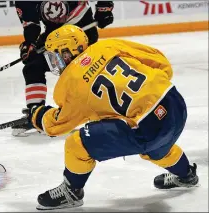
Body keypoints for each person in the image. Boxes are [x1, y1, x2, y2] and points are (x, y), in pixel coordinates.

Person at [28, 24, 199, 210]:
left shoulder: (70, 83)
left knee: (76, 143)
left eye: (55, 56)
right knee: (158, 147)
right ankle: (186, 175)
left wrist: (38, 116)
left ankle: (71, 192)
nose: (54, 63)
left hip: (149, 128)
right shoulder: (106, 46)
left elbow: (58, 124)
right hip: (174, 102)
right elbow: (158, 60)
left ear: (67, 53)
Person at [12, 1, 114, 136]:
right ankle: (35, 113)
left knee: (86, 70)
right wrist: (30, 43)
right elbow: (32, 24)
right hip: (55, 37)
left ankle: (108, 108)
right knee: (33, 66)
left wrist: (103, 9)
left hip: (82, 31)